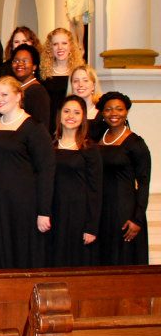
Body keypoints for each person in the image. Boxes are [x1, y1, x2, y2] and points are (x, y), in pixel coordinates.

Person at [0, 76, 55, 270]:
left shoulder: (34, 128)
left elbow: (46, 169)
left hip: (19, 207)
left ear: (18, 96)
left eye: (4, 94)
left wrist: (44, 211)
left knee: (17, 255)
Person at [96, 91, 152, 266]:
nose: (114, 114)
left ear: (126, 112)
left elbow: (143, 183)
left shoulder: (136, 143)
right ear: (102, 113)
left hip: (124, 211)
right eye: (108, 110)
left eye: (119, 109)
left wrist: (137, 219)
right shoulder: (97, 138)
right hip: (101, 209)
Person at [48, 95, 102, 267]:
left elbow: (95, 190)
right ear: (59, 115)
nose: (71, 116)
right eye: (67, 111)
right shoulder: (50, 146)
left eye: (76, 112)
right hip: (54, 213)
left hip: (78, 215)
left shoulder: (89, 149)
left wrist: (91, 227)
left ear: (83, 118)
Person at [40, 28, 84, 132]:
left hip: (72, 123)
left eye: (64, 43)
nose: (60, 47)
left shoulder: (79, 72)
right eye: (55, 44)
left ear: (71, 46)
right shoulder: (42, 73)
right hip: (49, 124)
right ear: (50, 47)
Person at [10, 44, 51, 129]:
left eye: (25, 61)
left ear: (34, 66)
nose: (19, 64)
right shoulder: (14, 89)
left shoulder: (38, 93)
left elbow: (41, 126)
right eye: (16, 61)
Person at [69, 64, 103, 131]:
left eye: (85, 80)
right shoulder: (65, 112)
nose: (80, 84)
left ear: (93, 85)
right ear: (71, 86)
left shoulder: (103, 113)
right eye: (76, 81)